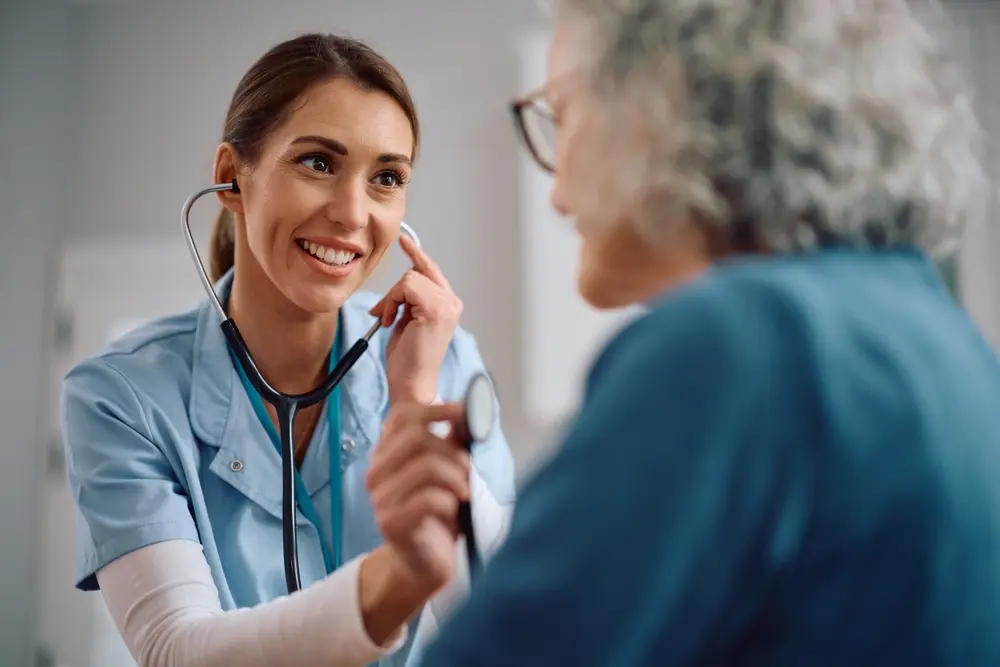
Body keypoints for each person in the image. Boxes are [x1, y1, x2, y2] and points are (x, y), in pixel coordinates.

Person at [371, 1, 1000, 665]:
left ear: (658, 100)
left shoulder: (738, 345)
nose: (557, 193)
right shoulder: (949, 345)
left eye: (564, 113)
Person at [60, 33, 515, 667]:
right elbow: (177, 650)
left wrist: (415, 404)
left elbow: (513, 621)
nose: (353, 214)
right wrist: (396, 579)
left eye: (386, 177)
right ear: (230, 180)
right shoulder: (120, 398)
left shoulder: (446, 363)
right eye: (318, 163)